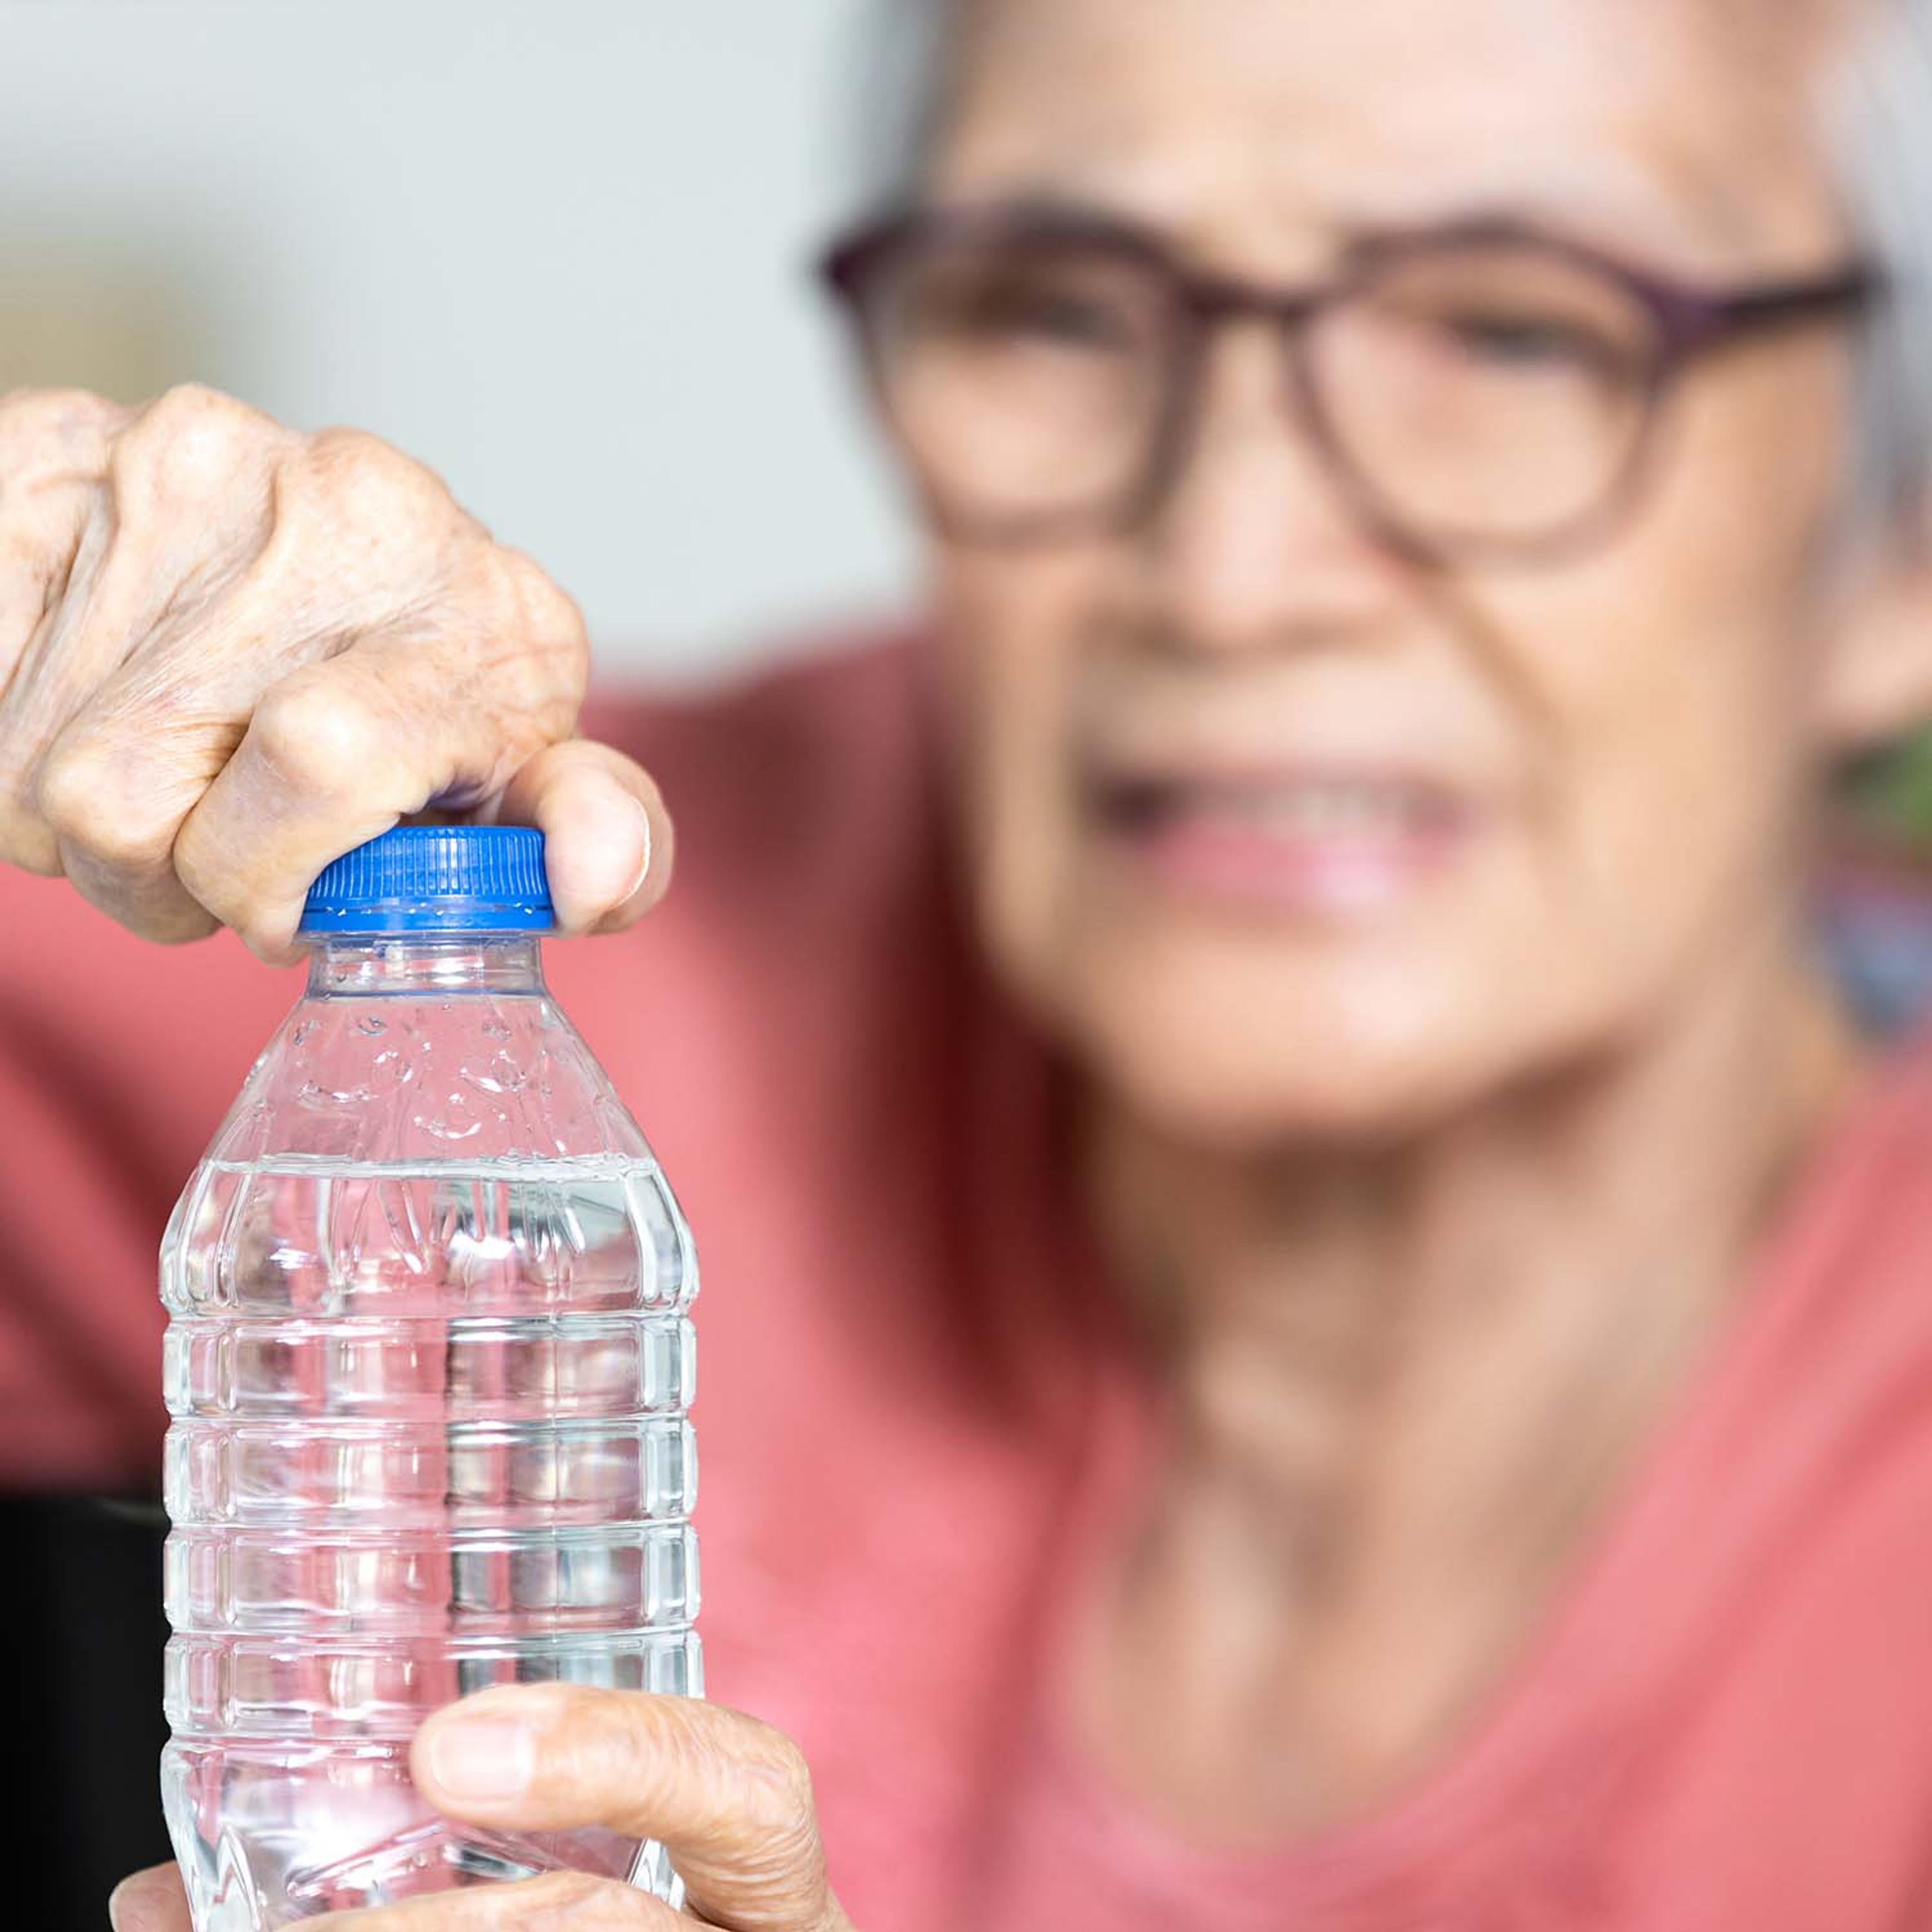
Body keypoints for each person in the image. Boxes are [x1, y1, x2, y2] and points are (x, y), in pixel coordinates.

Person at [6, 0, 1932, 1925]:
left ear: (1900, 550)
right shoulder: (572, 954)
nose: (1231, 567)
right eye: (1058, 308)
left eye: (1520, 329)